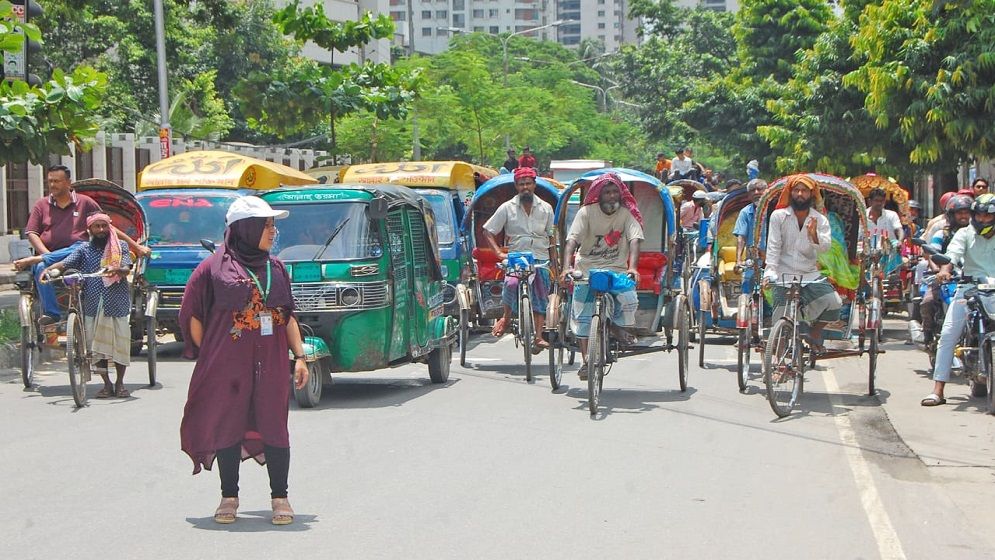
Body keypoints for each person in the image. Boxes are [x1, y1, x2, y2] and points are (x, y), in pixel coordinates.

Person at [179, 196, 309, 525]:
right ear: (246, 229)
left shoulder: (275, 267)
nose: (273, 231)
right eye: (267, 225)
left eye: (273, 225)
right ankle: (229, 497)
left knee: (274, 425)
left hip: (272, 363)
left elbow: (287, 315)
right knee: (229, 424)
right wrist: (212, 352)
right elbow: (192, 314)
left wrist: (301, 357)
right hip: (229, 366)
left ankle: (280, 497)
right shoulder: (212, 268)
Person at [16, 165, 148, 325]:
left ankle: (38, 259)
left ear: (68, 183)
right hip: (52, 256)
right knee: (40, 268)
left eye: (57, 181)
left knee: (80, 247)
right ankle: (52, 314)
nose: (52, 185)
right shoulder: (41, 205)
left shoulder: (85, 202)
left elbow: (107, 226)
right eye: (50, 181)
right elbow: (32, 232)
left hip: (81, 256)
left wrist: (136, 246)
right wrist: (46, 255)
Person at [560, 173, 644, 377]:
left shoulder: (626, 214)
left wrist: (633, 268)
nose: (612, 196)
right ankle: (586, 360)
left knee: (628, 298)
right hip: (587, 269)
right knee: (582, 313)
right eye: (607, 192)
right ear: (599, 194)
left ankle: (615, 326)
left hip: (616, 269)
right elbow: (572, 241)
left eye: (615, 191)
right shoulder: (586, 213)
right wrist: (566, 267)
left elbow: (634, 239)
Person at [41, 213, 134, 398]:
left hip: (117, 303)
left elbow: (126, 267)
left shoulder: (121, 246)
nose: (100, 230)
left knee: (121, 345)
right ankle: (106, 385)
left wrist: (117, 269)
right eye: (96, 227)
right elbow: (66, 263)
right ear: (89, 230)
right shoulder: (84, 249)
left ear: (109, 228)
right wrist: (51, 270)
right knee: (96, 348)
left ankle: (120, 383)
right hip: (92, 304)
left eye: (104, 226)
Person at [921, 193, 995, 406]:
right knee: (948, 334)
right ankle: (938, 389)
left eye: (987, 216)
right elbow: (951, 255)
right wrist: (944, 270)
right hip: (969, 288)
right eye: (979, 215)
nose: (983, 220)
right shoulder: (965, 233)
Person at [762, 174, 841, 353]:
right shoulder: (778, 216)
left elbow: (825, 248)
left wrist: (813, 234)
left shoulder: (820, 220)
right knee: (780, 321)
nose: (800, 194)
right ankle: (777, 363)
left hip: (809, 275)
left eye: (804, 190)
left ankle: (813, 333)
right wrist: (769, 273)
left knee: (834, 302)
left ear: (811, 195)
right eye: (796, 190)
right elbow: (773, 247)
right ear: (791, 193)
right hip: (783, 274)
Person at [481, 166, 556, 349]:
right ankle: (506, 317)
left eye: (528, 183)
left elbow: (552, 236)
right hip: (517, 257)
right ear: (516, 186)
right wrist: (499, 253)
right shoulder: (507, 208)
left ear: (534, 184)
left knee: (540, 293)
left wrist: (554, 261)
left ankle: (538, 336)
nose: (525, 188)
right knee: (511, 284)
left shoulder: (546, 208)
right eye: (521, 184)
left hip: (540, 257)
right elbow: (487, 231)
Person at [919, 194, 973, 345]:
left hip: (974, 279)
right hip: (948, 278)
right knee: (928, 300)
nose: (963, 216)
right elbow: (932, 254)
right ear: (952, 215)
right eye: (959, 213)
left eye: (967, 212)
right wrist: (940, 271)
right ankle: (928, 332)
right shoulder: (942, 234)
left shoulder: (978, 235)